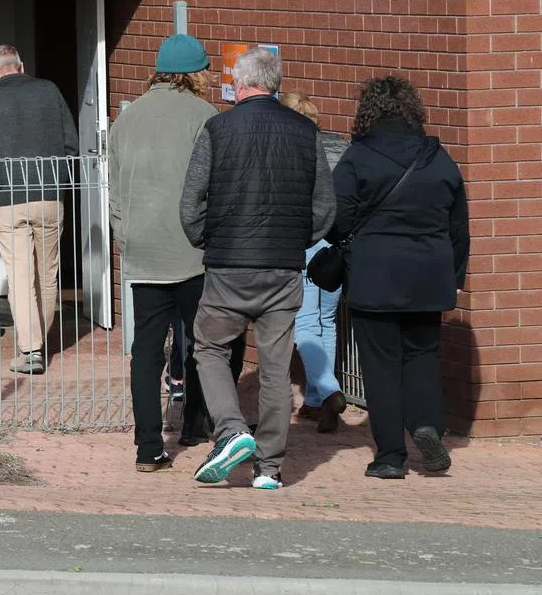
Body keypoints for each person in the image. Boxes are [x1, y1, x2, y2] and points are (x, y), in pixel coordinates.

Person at [180, 47, 335, 490]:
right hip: (283, 268)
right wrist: (296, 241)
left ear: (239, 83)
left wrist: (203, 239)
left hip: (228, 264)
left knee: (208, 348)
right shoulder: (306, 132)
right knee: (275, 368)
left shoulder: (217, 128)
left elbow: (191, 203)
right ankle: (269, 468)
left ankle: (231, 430)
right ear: (276, 83)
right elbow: (324, 207)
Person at [108, 33, 245, 472]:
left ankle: (148, 446)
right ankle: (197, 427)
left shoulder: (126, 118)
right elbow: (218, 186)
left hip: (143, 249)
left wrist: (124, 235)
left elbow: (113, 190)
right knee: (209, 344)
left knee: (145, 350)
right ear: (194, 75)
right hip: (194, 250)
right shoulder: (205, 116)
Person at [328, 75, 469, 479]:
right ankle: (426, 424)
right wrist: (454, 274)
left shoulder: (358, 158)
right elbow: (458, 226)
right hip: (429, 276)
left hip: (375, 276)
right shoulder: (439, 158)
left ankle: (390, 456)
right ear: (414, 111)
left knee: (381, 366)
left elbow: (338, 220)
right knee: (423, 355)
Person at [0, 45, 79, 375]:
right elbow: (71, 145)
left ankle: (30, 349)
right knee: (47, 276)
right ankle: (39, 344)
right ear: (21, 66)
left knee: (19, 277)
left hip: (8, 197)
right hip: (49, 195)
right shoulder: (50, 91)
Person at [280, 93, 350, 433]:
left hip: (306, 243)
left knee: (305, 325)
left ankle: (328, 391)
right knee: (327, 321)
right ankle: (314, 401)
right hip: (335, 247)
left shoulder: (292, 152)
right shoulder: (340, 148)